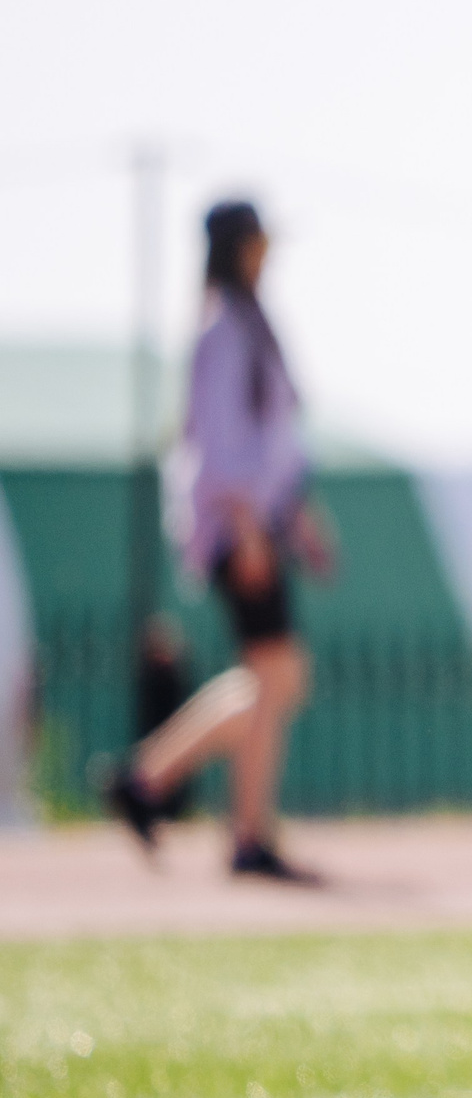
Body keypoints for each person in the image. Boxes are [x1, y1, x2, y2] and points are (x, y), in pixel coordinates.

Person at [108, 200, 331, 884]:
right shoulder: (220, 333)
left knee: (276, 680)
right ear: (239, 247)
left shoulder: (249, 327)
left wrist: (298, 515)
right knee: (276, 675)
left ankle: (148, 777)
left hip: (261, 522)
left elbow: (275, 443)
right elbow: (218, 444)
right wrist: (245, 527)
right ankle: (244, 832)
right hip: (239, 527)